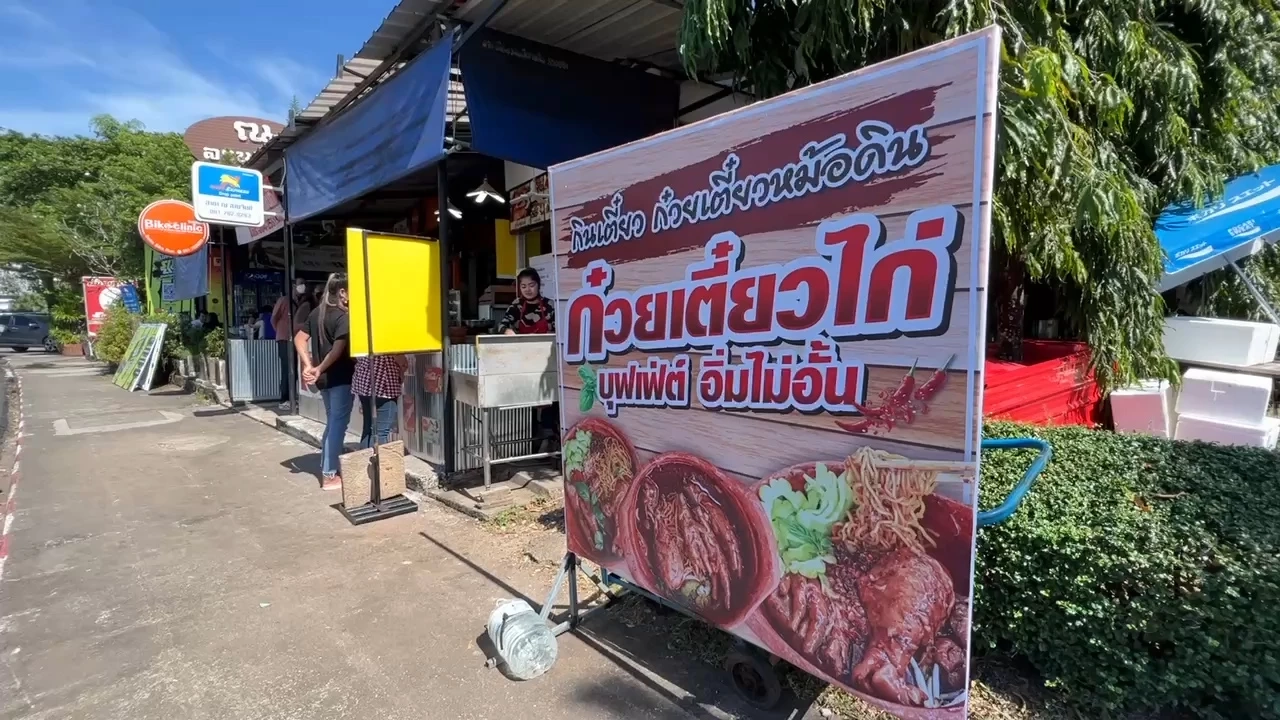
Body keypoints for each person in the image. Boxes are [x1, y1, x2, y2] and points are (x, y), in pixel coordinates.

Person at [294, 273, 355, 491]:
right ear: (342, 292)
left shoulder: (317, 313)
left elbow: (299, 338)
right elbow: (337, 350)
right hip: (339, 377)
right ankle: (329, 474)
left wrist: (308, 365)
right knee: (338, 424)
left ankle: (329, 466)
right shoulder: (342, 317)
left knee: (333, 422)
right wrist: (317, 368)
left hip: (325, 381)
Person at [499, 267, 558, 446]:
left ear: (538, 285)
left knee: (550, 399)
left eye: (531, 285)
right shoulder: (516, 306)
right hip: (524, 362)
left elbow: (560, 329)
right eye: (523, 286)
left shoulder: (549, 305)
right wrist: (508, 331)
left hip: (548, 360)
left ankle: (549, 440)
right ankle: (530, 442)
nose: (527, 289)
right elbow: (502, 325)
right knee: (528, 400)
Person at [352, 354, 407, 448]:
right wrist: (403, 365)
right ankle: (377, 462)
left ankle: (364, 461)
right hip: (383, 380)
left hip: (364, 377)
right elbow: (397, 354)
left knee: (368, 429)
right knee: (381, 432)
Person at [271, 281, 308, 410]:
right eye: (300, 284)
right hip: (285, 339)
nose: (302, 286)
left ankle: (294, 397)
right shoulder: (284, 300)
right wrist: (282, 331)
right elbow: (274, 318)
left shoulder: (303, 301)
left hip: (297, 339)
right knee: (287, 369)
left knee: (296, 370)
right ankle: (284, 399)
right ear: (293, 286)